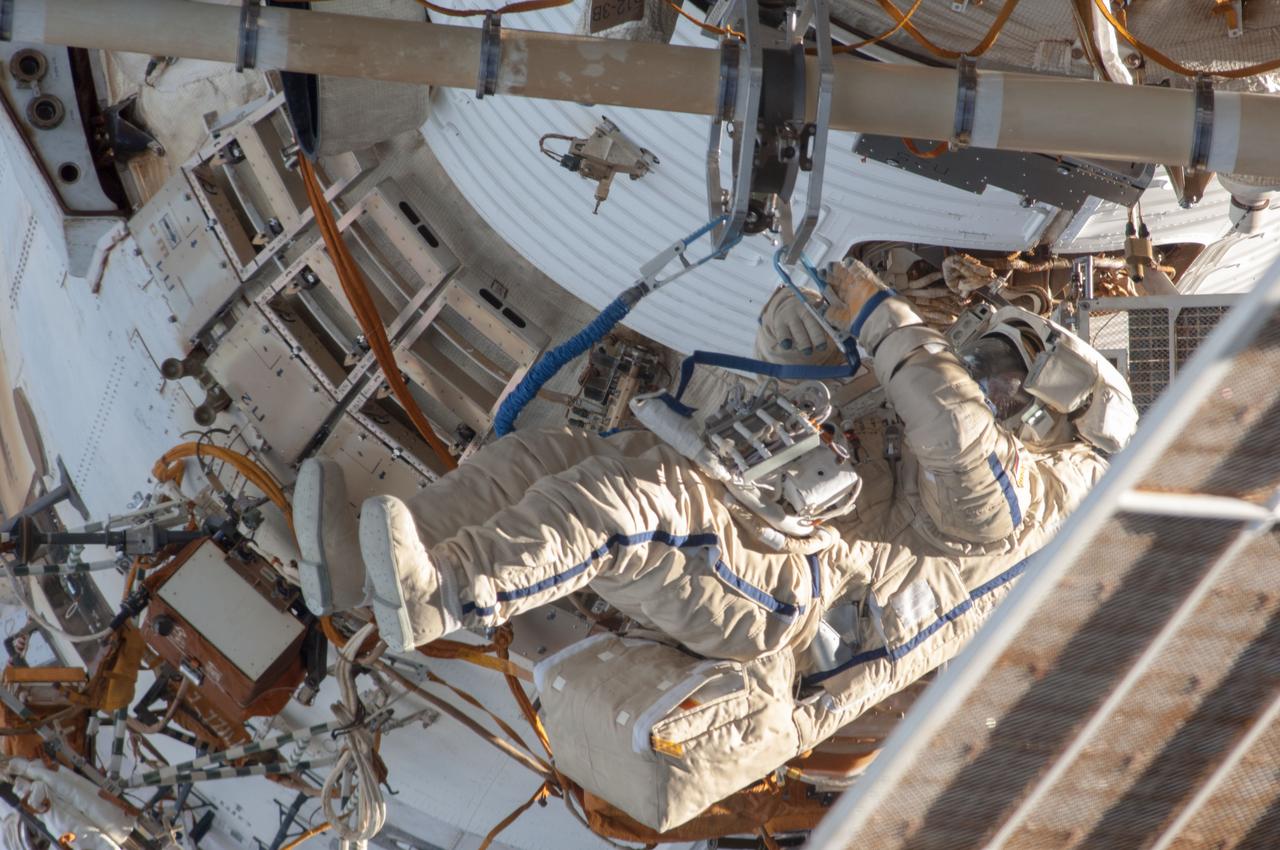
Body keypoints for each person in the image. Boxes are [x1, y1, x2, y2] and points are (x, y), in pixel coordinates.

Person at [293, 258, 1136, 831]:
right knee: (541, 459)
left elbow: (954, 432)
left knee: (624, 508)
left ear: (1061, 425)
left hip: (800, 609)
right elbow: (808, 379)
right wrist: (810, 322)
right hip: (768, 528)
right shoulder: (937, 413)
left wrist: (880, 316)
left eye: (1008, 380)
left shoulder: (1040, 499)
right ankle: (368, 574)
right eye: (986, 361)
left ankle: (441, 594)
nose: (986, 382)